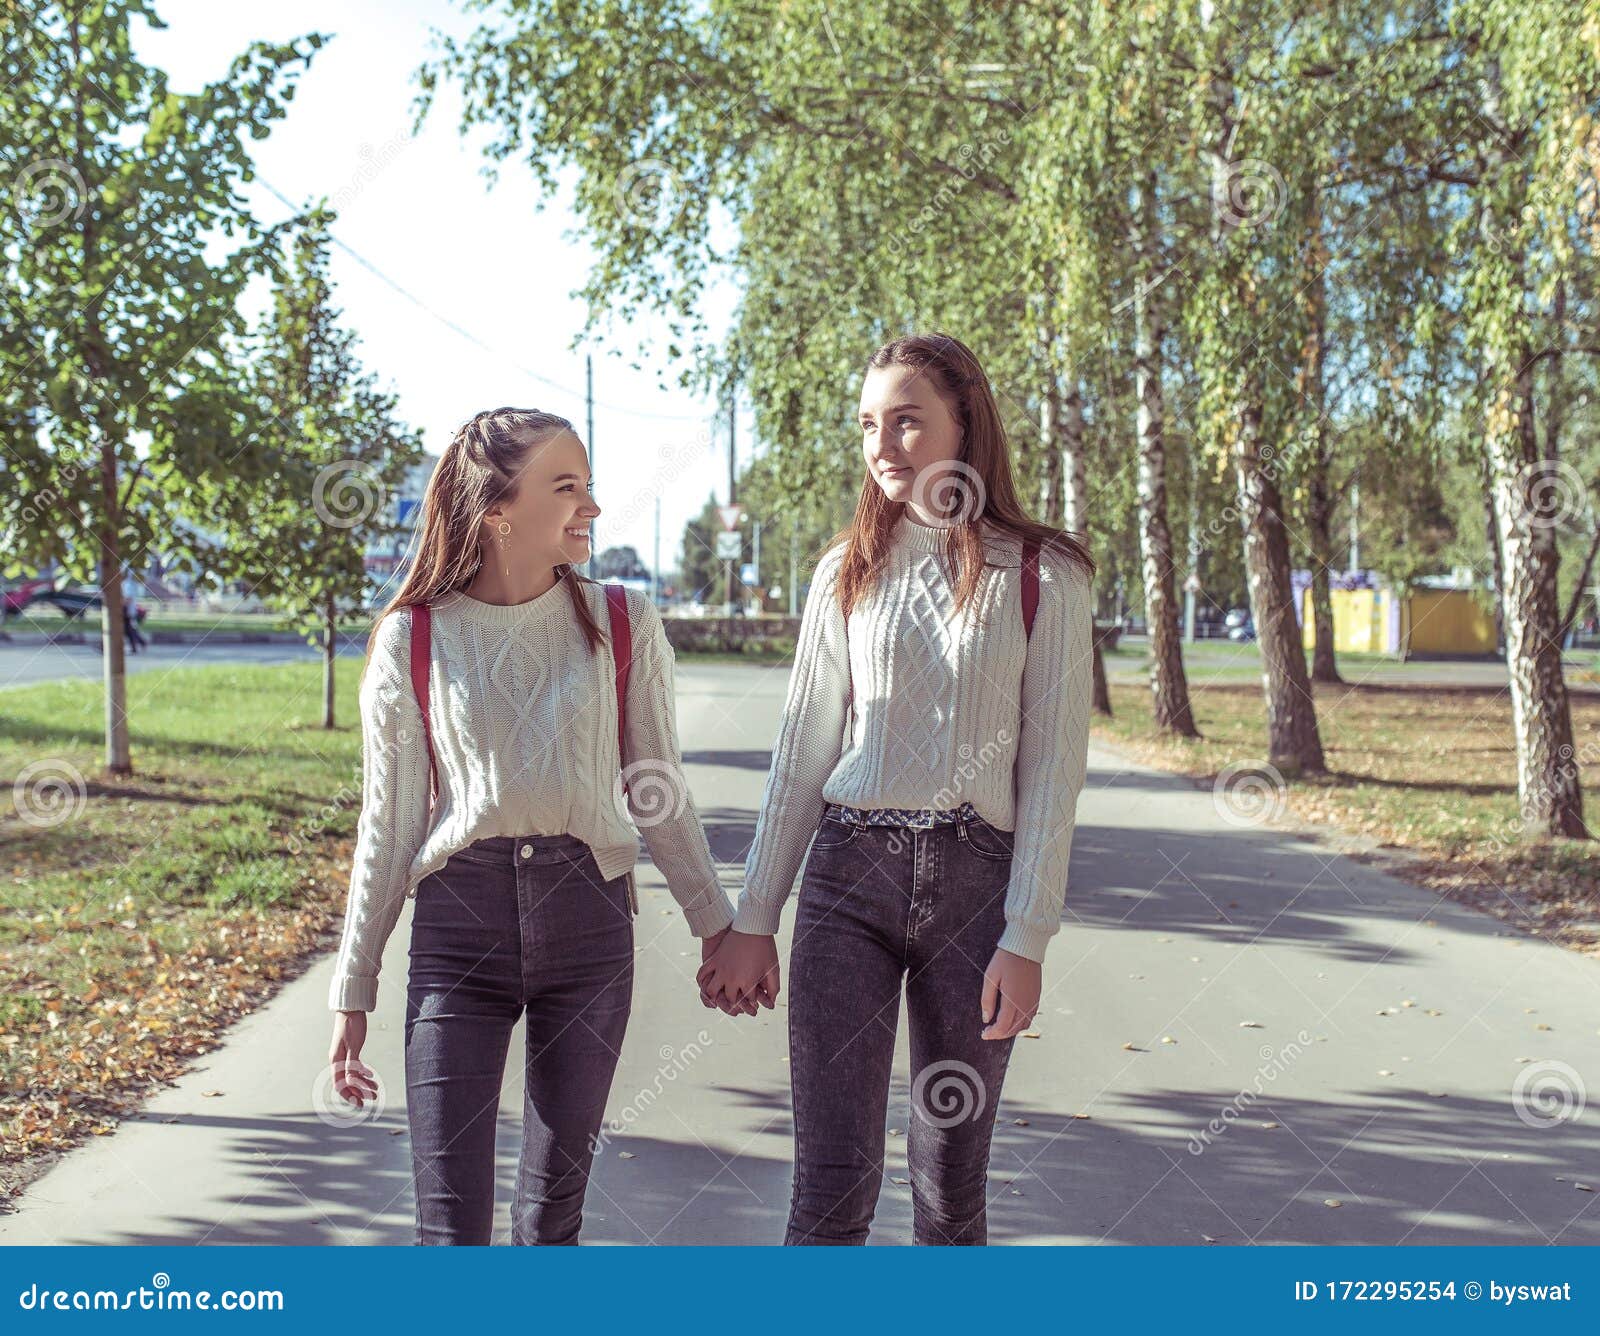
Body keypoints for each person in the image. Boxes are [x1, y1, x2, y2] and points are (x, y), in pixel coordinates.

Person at [698, 332, 1096, 1245]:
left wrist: (1028, 934)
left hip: (977, 888)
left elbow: (1052, 771)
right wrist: (755, 915)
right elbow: (803, 751)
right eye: (869, 424)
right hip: (848, 882)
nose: (884, 444)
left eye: (908, 421)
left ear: (966, 424)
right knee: (830, 1190)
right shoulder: (843, 573)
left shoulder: (1043, 574)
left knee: (951, 1192)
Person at [325, 407, 736, 1245]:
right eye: (567, 487)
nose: (590, 506)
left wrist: (715, 925)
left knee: (551, 1225)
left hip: (587, 930)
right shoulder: (415, 638)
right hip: (456, 937)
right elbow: (389, 825)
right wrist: (353, 988)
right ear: (498, 509)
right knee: (449, 1231)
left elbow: (657, 789)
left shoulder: (620, 621)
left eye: (589, 484)